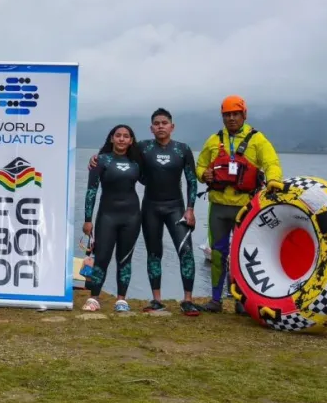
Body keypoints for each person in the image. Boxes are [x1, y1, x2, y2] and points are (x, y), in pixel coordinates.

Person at [88, 108, 201, 315]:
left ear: (172, 127)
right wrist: (96, 159)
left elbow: (192, 180)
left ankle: (188, 299)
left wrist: (190, 209)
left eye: (164, 123)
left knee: (185, 252)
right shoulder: (143, 148)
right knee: (154, 253)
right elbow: (119, 154)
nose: (160, 126)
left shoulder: (182, 150)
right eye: (156, 123)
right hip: (150, 207)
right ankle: (157, 300)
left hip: (176, 207)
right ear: (151, 128)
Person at [196, 95, 283, 313]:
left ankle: (240, 301)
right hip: (218, 208)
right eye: (227, 115)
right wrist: (202, 175)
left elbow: (271, 162)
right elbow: (200, 165)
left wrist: (273, 180)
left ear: (244, 114)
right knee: (217, 253)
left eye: (235, 114)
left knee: (243, 254)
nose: (231, 118)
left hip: (245, 208)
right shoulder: (214, 141)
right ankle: (216, 300)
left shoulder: (257, 140)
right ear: (222, 117)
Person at [82, 124, 144, 313]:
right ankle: (93, 298)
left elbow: (155, 179)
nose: (122, 139)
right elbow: (91, 191)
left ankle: (121, 300)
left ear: (131, 140)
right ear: (112, 138)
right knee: (101, 257)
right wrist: (87, 219)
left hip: (132, 216)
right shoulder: (100, 160)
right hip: (107, 216)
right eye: (118, 135)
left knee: (125, 258)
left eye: (126, 136)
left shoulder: (137, 162)